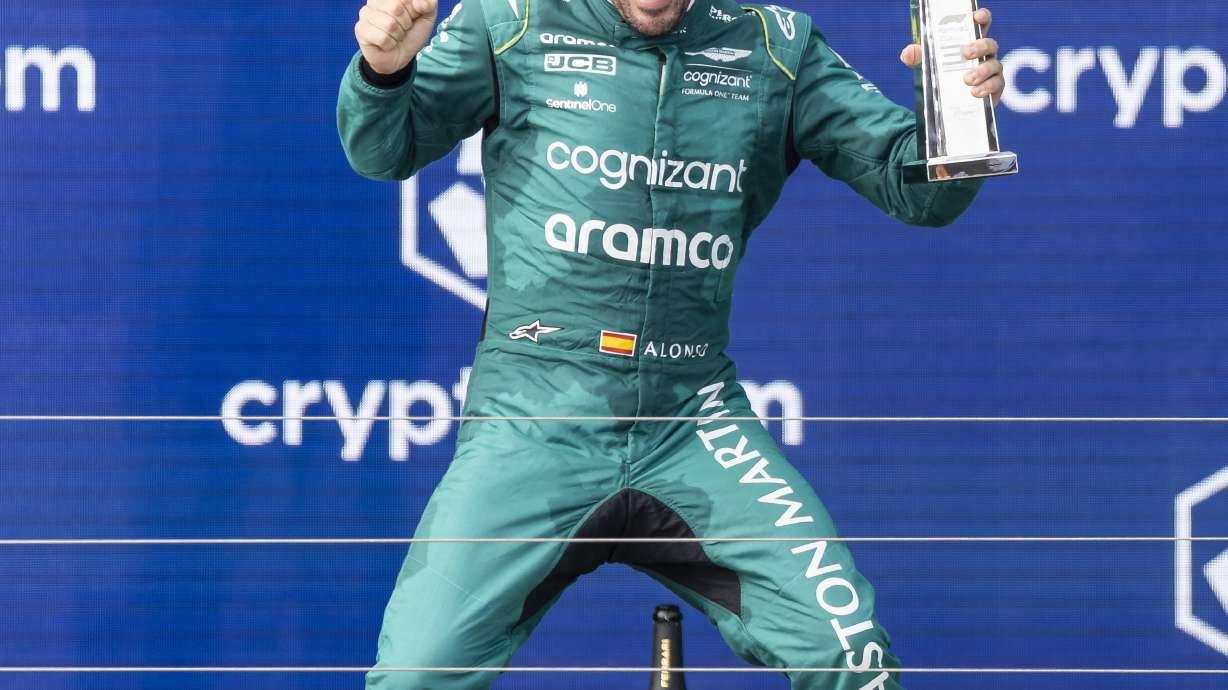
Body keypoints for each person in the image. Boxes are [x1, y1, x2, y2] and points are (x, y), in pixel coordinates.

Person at [337, 0, 1005, 688]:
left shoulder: (776, 44)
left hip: (692, 423)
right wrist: (384, 72)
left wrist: (958, 113)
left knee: (851, 657)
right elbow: (381, 150)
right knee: (416, 673)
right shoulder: (510, 19)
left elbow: (922, 194)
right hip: (535, 420)